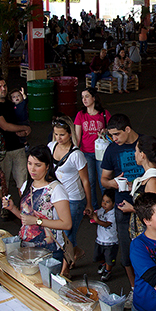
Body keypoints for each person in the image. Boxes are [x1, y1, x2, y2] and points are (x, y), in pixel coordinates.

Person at [1, 145, 73, 265]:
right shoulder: (26, 185)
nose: (32, 169)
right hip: (26, 248)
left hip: (49, 251)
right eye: (29, 163)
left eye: (37, 165)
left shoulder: (56, 190)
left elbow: (66, 224)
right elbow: (26, 219)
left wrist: (36, 221)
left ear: (47, 166)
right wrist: (12, 208)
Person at [100, 114, 144, 286]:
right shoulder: (112, 149)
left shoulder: (144, 144)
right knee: (126, 250)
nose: (114, 138)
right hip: (122, 206)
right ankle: (134, 287)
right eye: (111, 135)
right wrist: (112, 183)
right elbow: (103, 179)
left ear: (128, 129)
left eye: (117, 134)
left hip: (145, 205)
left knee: (148, 249)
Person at [49, 116, 91, 275]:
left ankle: (64, 270)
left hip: (74, 199)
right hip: (58, 197)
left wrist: (89, 204)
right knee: (59, 232)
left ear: (70, 134)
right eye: (56, 134)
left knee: (67, 233)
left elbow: (86, 181)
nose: (59, 138)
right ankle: (74, 252)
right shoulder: (51, 147)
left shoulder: (76, 154)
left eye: (62, 135)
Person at [118, 134, 156, 244]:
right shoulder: (149, 178)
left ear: (142, 155)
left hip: (151, 240)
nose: (134, 154)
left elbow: (155, 213)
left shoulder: (153, 182)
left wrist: (132, 208)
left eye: (136, 151)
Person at [0, 77, 32, 203]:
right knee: (3, 182)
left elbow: (20, 118)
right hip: (2, 151)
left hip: (18, 147)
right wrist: (24, 128)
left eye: (5, 85)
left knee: (22, 181)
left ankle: (25, 207)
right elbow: (5, 126)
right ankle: (5, 206)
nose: (3, 89)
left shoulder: (10, 104)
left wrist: (23, 131)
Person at [74, 88, 111, 210]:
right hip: (86, 153)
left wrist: (106, 130)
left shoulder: (104, 114)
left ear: (94, 98)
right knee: (89, 182)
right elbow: (78, 136)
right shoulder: (80, 115)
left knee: (103, 182)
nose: (84, 99)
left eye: (87, 96)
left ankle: (108, 208)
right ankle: (93, 208)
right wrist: (75, 151)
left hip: (102, 153)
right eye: (82, 97)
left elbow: (112, 130)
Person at [92, 189, 119, 281]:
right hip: (100, 239)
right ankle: (103, 264)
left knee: (109, 258)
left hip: (111, 241)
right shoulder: (101, 210)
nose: (104, 203)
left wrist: (97, 220)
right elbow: (94, 215)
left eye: (107, 202)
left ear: (114, 203)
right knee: (97, 256)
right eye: (103, 201)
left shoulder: (113, 214)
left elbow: (106, 224)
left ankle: (108, 271)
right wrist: (90, 214)